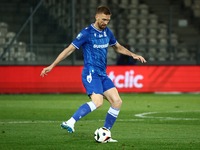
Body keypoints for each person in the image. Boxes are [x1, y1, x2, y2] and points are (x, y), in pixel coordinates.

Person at [40, 6, 146, 142]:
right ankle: (70, 122)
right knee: (98, 102)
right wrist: (52, 65)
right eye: (103, 20)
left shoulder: (108, 32)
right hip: (91, 73)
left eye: (107, 20)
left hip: (102, 74)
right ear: (96, 17)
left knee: (117, 101)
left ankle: (105, 134)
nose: (105, 23)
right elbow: (68, 50)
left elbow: (117, 47)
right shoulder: (86, 33)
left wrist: (133, 55)